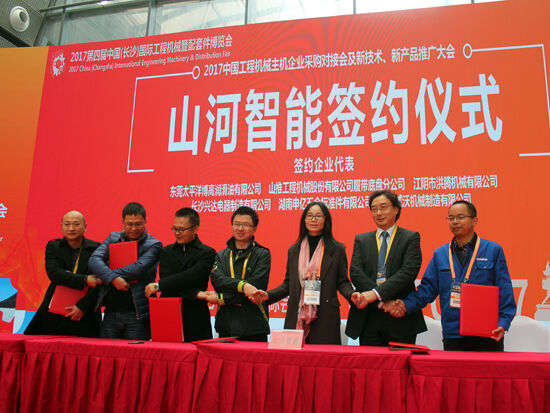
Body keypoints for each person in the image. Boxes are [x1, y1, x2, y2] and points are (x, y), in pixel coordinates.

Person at [387, 200, 516, 351]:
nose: (455, 222)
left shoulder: (492, 250)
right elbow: (426, 290)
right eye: (451, 218)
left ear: (474, 220)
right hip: (453, 333)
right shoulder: (441, 254)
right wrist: (404, 305)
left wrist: (503, 323)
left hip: (487, 333)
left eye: (460, 217)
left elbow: (505, 291)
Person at [256, 201, 360, 344]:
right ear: (304, 220)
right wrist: (268, 296)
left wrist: (351, 295)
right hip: (297, 313)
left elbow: (342, 281)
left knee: (323, 356)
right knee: (296, 356)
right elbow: (288, 284)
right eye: (310, 216)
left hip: (326, 315)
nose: (313, 219)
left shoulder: (336, 250)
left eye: (318, 216)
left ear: (325, 220)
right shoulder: (294, 250)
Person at [345, 190, 427, 345]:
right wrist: (382, 301)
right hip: (369, 317)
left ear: (396, 209)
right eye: (374, 209)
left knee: (401, 360)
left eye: (383, 207)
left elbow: (408, 272)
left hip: (399, 316)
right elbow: (356, 273)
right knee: (370, 361)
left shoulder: (410, 237)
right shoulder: (362, 239)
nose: (378, 213)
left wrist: (376, 294)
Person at [88, 202, 162, 340]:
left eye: (138, 224)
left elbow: (137, 269)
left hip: (137, 314)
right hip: (110, 312)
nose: (134, 228)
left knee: (136, 353)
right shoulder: (113, 238)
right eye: (129, 224)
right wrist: (113, 279)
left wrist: (107, 275)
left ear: (146, 221)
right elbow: (94, 259)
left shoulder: (154, 245)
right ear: (122, 222)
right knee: (107, 352)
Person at [25, 211, 102, 337]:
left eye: (76, 224)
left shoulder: (97, 248)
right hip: (55, 307)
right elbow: (55, 274)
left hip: (85, 310)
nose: (71, 228)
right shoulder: (54, 246)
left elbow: (99, 282)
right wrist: (85, 280)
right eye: (67, 224)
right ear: (61, 226)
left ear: (85, 226)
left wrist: (83, 307)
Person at [144, 208, 217, 342]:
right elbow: (169, 282)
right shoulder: (166, 252)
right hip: (169, 312)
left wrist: (160, 285)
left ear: (195, 229)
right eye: (175, 229)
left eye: (181, 230)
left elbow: (192, 276)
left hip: (195, 314)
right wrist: (195, 293)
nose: (177, 233)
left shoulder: (207, 253)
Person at [210, 206, 270, 342]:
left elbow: (255, 288)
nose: (240, 228)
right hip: (226, 324)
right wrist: (243, 286)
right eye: (237, 224)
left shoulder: (262, 254)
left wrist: (221, 298)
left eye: (246, 225)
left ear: (254, 228)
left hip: (254, 325)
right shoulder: (221, 255)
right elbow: (218, 282)